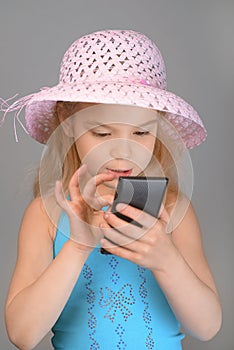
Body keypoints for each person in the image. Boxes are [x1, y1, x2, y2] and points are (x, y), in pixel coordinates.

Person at [2, 29, 222, 350]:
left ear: (158, 125)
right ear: (68, 121)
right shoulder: (45, 216)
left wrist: (167, 259)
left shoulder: (174, 212)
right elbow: (22, 335)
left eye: (141, 133)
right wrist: (77, 247)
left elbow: (207, 327)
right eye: (102, 133)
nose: (123, 152)